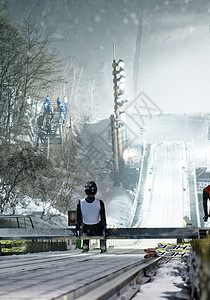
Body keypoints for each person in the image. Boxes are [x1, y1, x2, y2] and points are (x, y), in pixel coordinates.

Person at [76, 181, 107, 253]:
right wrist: (104, 228)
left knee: (85, 227)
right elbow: (103, 218)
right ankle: (102, 245)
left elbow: (78, 218)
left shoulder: (81, 203)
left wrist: (77, 228)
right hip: (97, 229)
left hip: (86, 229)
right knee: (100, 226)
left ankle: (85, 245)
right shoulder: (99, 202)